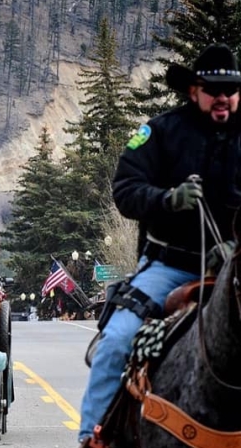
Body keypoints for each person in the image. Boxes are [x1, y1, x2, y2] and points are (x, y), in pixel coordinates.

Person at [77, 43, 241, 447]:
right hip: (171, 267)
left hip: (238, 268)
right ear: (193, 91)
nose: (222, 98)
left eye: (231, 89)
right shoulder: (160, 131)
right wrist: (167, 200)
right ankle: (92, 437)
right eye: (212, 89)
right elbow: (125, 190)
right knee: (117, 342)